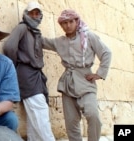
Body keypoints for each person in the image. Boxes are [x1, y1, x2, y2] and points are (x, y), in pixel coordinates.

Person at [42, 9, 112, 141]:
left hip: (86, 82)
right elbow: (42, 42)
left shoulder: (88, 36)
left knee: (93, 116)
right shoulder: (59, 42)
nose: (67, 25)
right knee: (71, 123)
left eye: (70, 22)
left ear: (76, 21)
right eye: (64, 23)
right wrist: (29, 30)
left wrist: (99, 73)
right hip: (67, 84)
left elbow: (106, 53)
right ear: (61, 25)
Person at [3, 1, 56, 141]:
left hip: (35, 76)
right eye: (31, 13)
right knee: (40, 113)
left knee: (34, 118)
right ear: (26, 14)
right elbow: (9, 47)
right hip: (27, 75)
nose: (34, 16)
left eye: (37, 13)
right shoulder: (23, 28)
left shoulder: (35, 32)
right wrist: (15, 67)